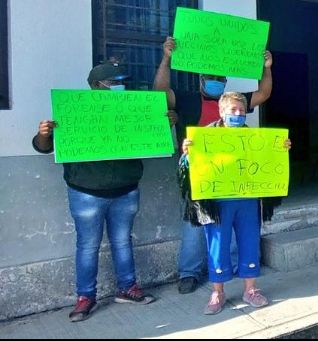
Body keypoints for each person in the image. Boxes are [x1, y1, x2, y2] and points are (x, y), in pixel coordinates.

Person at [32, 62, 157, 322]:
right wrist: (44, 134)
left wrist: (164, 120)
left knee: (123, 242)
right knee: (88, 246)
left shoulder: (132, 110)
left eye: (122, 82)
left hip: (126, 189)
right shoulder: (74, 111)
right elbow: (43, 147)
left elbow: (153, 138)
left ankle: (127, 288)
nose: (119, 86)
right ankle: (85, 296)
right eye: (113, 82)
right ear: (96, 85)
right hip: (86, 192)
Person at [153, 36, 274, 295]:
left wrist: (266, 68)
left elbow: (264, 93)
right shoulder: (188, 101)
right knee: (195, 224)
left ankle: (225, 272)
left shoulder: (237, 104)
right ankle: (189, 272)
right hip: (200, 174)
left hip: (234, 180)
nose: (216, 83)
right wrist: (166, 59)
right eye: (211, 78)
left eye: (220, 80)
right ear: (201, 80)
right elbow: (160, 92)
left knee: (227, 227)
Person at [180, 92, 291, 315]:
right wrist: (187, 154)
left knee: (250, 242)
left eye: (241, 110)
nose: (238, 114)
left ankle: (250, 290)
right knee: (217, 246)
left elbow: (267, 163)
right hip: (217, 202)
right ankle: (218, 292)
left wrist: (281, 149)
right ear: (222, 111)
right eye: (233, 110)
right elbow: (186, 168)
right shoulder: (204, 137)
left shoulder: (255, 138)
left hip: (247, 200)